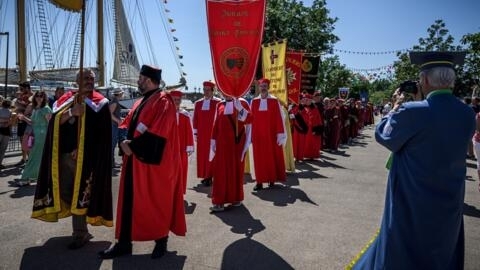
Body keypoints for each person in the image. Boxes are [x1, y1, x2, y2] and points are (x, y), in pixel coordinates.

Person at [349, 51, 475, 269]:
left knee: (405, 245)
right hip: (449, 196)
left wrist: (396, 107)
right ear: (452, 80)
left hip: (413, 195)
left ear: (424, 80)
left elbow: (385, 135)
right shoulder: (466, 113)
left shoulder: (411, 111)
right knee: (441, 245)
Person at [99, 65, 186, 259]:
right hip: (134, 161)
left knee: (156, 202)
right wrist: (123, 142)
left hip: (154, 164)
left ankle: (161, 241)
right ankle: (123, 243)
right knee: (128, 202)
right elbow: (125, 123)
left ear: (147, 79)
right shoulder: (140, 101)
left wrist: (134, 147)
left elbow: (160, 131)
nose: (138, 81)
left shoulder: (164, 101)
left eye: (140, 78)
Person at [31, 68, 113, 250]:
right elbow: (54, 122)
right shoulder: (66, 100)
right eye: (85, 78)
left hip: (87, 160)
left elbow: (103, 135)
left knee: (81, 194)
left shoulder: (101, 103)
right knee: (65, 191)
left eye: (92, 78)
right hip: (63, 156)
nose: (89, 81)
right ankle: (80, 227)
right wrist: (72, 113)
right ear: (77, 80)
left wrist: (84, 149)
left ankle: (80, 233)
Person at [209, 94, 252, 212]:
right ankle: (219, 201)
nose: (225, 93)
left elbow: (249, 120)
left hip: (236, 145)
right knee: (220, 173)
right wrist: (213, 141)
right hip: (222, 145)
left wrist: (240, 109)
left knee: (235, 171)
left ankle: (236, 198)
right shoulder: (219, 105)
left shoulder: (242, 103)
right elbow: (216, 124)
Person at [250, 78, 286, 191]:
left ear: (268, 87)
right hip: (258, 136)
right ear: (259, 88)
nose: (263, 87)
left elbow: (279, 118)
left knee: (271, 157)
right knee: (259, 159)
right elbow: (251, 119)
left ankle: (271, 179)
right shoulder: (254, 101)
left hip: (271, 135)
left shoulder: (274, 101)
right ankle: (259, 182)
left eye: (265, 85)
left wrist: (280, 133)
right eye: (261, 86)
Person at [15, 91, 52, 186]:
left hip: (41, 135)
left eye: (41, 96)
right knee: (34, 156)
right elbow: (32, 122)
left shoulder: (46, 108)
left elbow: (50, 124)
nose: (39, 98)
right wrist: (23, 118)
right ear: (35, 97)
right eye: (37, 96)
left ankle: (26, 177)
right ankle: (32, 176)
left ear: (44, 98)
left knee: (34, 156)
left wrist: (49, 137)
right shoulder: (36, 108)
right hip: (34, 134)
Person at [192, 81, 221, 186]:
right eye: (204, 90)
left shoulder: (218, 103)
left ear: (212, 91)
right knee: (202, 156)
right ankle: (205, 175)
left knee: (212, 155)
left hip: (213, 134)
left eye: (208, 90)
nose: (206, 92)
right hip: (202, 135)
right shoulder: (198, 103)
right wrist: (195, 133)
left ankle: (210, 176)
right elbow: (195, 119)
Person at [170, 89, 194, 193]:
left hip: (182, 148)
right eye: (174, 99)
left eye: (178, 100)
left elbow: (189, 131)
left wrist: (190, 146)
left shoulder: (185, 115)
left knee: (182, 169)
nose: (176, 101)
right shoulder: (165, 114)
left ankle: (179, 191)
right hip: (169, 148)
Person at [15, 81, 33, 166]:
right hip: (21, 121)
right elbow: (17, 105)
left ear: (27, 88)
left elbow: (30, 107)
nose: (20, 90)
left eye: (22, 88)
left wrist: (19, 105)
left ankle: (30, 160)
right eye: (20, 89)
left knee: (29, 142)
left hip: (29, 122)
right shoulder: (21, 96)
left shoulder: (33, 96)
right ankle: (24, 159)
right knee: (22, 141)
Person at [109, 88, 124, 167]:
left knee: (113, 144)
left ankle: (112, 162)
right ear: (120, 94)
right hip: (113, 125)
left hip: (114, 125)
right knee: (112, 144)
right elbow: (110, 114)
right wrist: (118, 121)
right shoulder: (115, 102)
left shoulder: (114, 101)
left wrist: (120, 119)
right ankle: (111, 163)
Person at [0, 99, 13, 170]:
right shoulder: (10, 112)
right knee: (3, 148)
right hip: (6, 131)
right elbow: (10, 122)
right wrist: (7, 121)